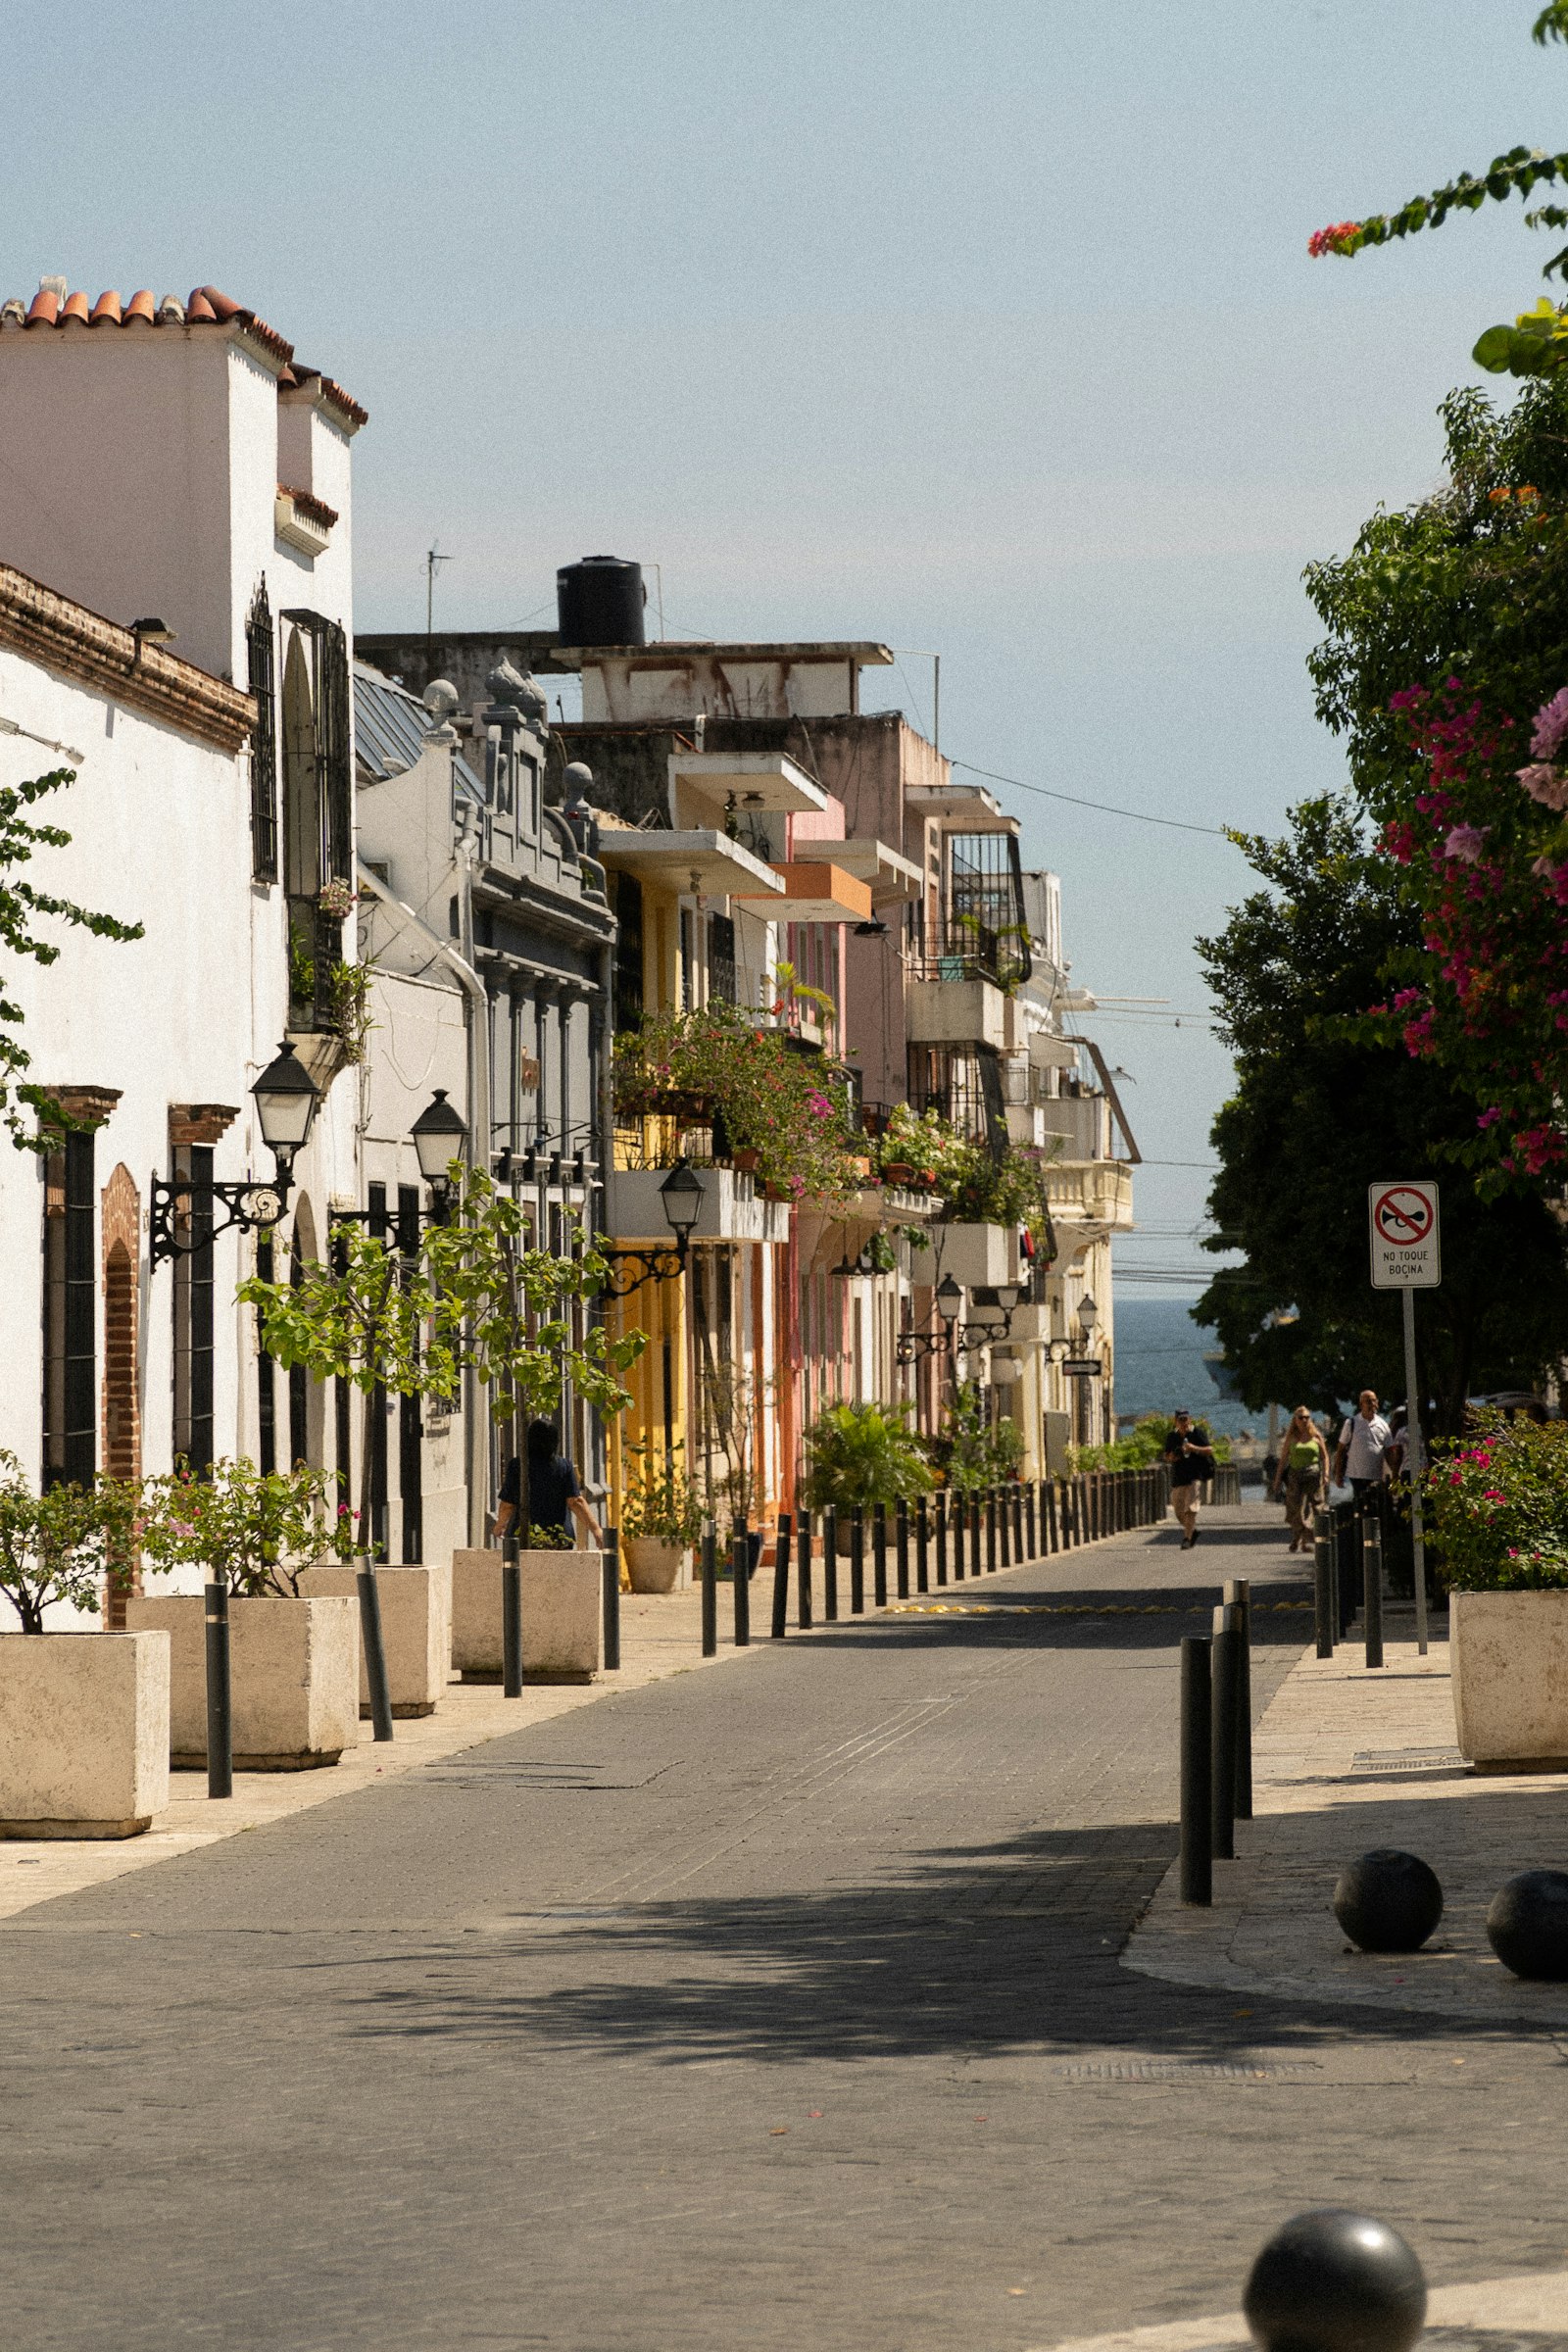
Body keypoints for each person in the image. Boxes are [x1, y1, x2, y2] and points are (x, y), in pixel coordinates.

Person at [494, 1419, 604, 1549]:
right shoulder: (564, 1467)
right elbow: (575, 1502)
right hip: (559, 1537)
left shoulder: (517, 1466)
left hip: (525, 1536)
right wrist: (596, 1530)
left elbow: (508, 1504)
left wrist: (499, 1526)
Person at [1271, 1405, 1329, 1553]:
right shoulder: (1291, 1438)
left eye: (1307, 1417)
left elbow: (1325, 1457)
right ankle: (1303, 1534)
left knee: (1317, 1507)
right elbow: (1283, 1460)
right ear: (1295, 1420)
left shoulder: (1316, 1436)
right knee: (1294, 1510)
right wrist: (1277, 1480)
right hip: (1295, 1476)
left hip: (1313, 1475)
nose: (1304, 1420)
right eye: (1300, 1417)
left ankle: (1301, 1540)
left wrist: (1326, 1474)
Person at [1162, 1408, 1216, 1548]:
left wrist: (1193, 1448)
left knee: (1190, 1508)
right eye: (1180, 1420)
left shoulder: (1197, 1433)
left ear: (1189, 1419)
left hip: (1194, 1476)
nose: (1183, 1423)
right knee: (1179, 1510)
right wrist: (1172, 1457)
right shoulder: (1172, 1436)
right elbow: (1166, 1455)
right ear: (1175, 1421)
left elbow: (1209, 1449)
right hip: (1178, 1477)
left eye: (1185, 1419)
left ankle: (1187, 1539)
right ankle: (1192, 1531)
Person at [1334, 1390, 1392, 1498]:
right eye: (1369, 1402)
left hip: (1376, 1476)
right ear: (1361, 1405)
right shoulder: (1351, 1423)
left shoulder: (1383, 1425)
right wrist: (1338, 1475)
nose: (1373, 1404)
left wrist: (1394, 1474)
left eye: (1374, 1401)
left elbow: (1389, 1451)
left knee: (1374, 1506)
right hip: (1355, 1476)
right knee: (1358, 1505)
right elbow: (1341, 1450)